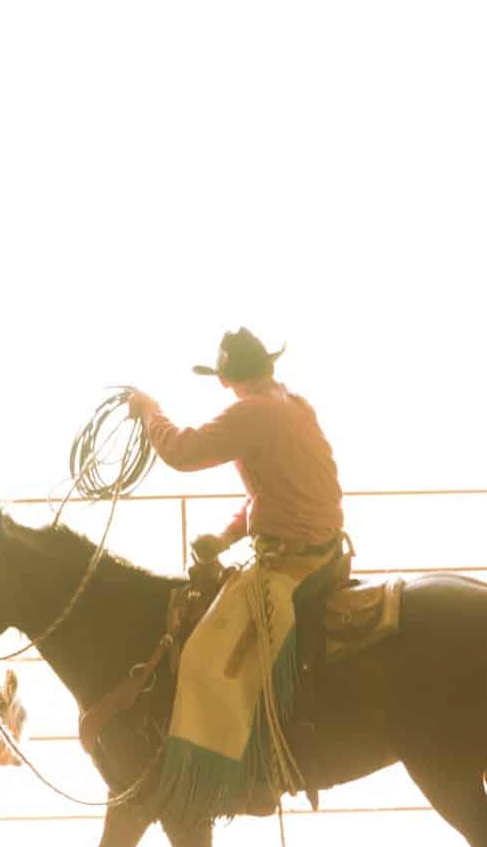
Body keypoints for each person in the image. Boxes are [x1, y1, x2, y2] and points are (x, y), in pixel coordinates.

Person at [124, 328, 347, 821]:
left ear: (225, 380)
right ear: (268, 366)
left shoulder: (251, 413)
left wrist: (149, 412)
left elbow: (182, 452)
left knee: (204, 657)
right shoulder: (294, 404)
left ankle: (247, 775)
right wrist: (227, 538)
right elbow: (277, 491)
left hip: (290, 562)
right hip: (323, 552)